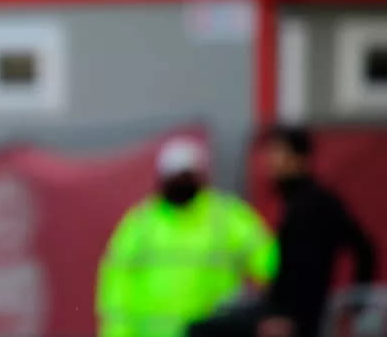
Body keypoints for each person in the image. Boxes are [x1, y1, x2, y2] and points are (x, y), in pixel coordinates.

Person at [96, 137, 278, 337]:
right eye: (175, 176)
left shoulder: (226, 218)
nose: (180, 182)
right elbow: (117, 290)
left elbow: (270, 262)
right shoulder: (140, 225)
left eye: (186, 175)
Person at [260, 125, 375, 337]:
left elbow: (363, 249)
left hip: (297, 319)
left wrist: (356, 304)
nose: (271, 161)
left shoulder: (316, 204)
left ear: (299, 158)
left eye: (279, 153)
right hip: (285, 314)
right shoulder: (293, 202)